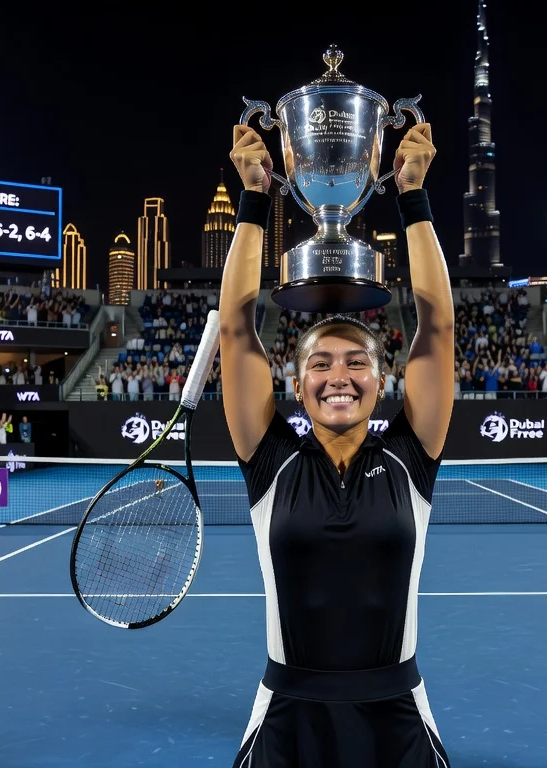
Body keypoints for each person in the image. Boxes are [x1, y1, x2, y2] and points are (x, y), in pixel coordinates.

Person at [220, 122, 454, 767]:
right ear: (295, 382)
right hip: (287, 717)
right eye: (320, 364)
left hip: (398, 715)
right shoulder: (271, 462)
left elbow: (437, 325)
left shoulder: (413, 459)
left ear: (382, 380)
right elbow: (239, 329)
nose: (338, 377)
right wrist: (252, 198)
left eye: (357, 362)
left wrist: (413, 196)